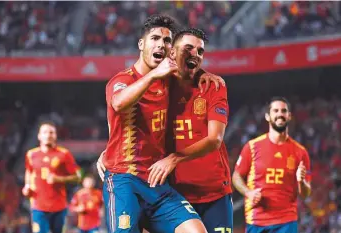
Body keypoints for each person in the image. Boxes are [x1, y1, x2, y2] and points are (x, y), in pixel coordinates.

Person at [101, 14, 223, 233]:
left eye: (167, 41)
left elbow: (189, 69)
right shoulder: (123, 80)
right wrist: (153, 76)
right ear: (141, 44)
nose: (161, 44)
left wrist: (204, 73)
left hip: (156, 181)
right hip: (123, 179)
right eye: (155, 38)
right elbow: (118, 104)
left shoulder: (169, 81)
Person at [146, 28, 233, 233]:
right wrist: (109, 152)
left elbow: (215, 139)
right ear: (172, 53)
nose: (195, 54)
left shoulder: (213, 85)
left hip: (215, 193)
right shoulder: (156, 87)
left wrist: (174, 158)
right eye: (188, 48)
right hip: (175, 195)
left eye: (200, 51)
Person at [232, 97, 312, 233]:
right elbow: (236, 176)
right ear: (268, 116)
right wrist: (248, 192)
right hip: (257, 220)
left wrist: (301, 182)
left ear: (289, 116)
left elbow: (305, 194)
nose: (280, 114)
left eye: (283, 111)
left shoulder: (300, 152)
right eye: (275, 110)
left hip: (286, 221)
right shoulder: (252, 147)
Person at [22, 121, 81, 233]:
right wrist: (27, 185)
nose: (48, 135)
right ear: (39, 136)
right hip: (38, 206)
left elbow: (78, 177)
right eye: (45, 132)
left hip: (59, 207)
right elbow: (29, 172)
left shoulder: (64, 154)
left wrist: (59, 179)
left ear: (55, 136)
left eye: (51, 132)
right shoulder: (31, 154)